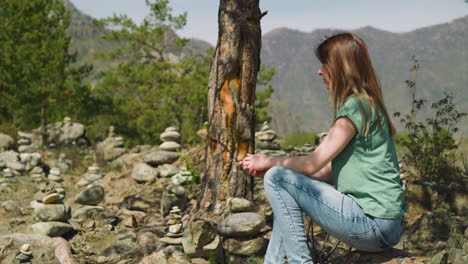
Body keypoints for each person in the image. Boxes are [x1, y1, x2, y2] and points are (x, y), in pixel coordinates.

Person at [239, 32, 406, 264]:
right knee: (280, 184)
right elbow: (327, 171)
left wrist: (268, 161)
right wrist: (282, 176)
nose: (319, 71)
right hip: (384, 225)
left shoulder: (356, 107)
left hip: (372, 223)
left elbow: (312, 163)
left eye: (324, 64)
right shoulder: (366, 104)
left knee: (278, 176)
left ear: (340, 67)